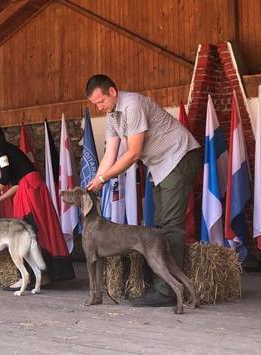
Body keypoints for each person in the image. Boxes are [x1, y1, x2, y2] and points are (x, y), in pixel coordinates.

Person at [85, 74, 201, 307]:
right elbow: (111, 153)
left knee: (170, 226)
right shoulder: (112, 115)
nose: (99, 108)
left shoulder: (132, 106)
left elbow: (133, 153)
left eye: (101, 101)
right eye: (95, 104)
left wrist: (105, 177)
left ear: (113, 92)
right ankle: (164, 283)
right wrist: (97, 178)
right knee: (159, 225)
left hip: (179, 156)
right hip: (161, 165)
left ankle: (167, 292)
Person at [0, 129, 75, 289]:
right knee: (35, 229)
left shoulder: (0, 149)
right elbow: (15, 184)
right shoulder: (4, 150)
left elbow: (5, 178)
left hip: (31, 189)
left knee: (27, 229)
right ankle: (39, 276)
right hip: (28, 188)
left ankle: (32, 277)